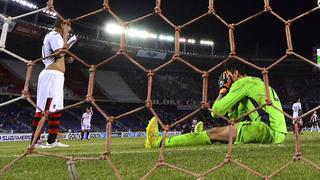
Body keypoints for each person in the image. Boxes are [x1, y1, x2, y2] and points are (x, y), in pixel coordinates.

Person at [145, 61, 287, 148]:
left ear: (235, 73)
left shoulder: (242, 82)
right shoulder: (257, 83)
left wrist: (222, 91)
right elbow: (234, 117)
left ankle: (157, 142)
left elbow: (216, 112)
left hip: (265, 130)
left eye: (227, 76)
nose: (227, 80)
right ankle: (198, 135)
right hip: (278, 133)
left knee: (213, 133)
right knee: (221, 135)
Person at [30, 18, 75, 148]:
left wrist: (66, 60)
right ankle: (35, 141)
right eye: (68, 26)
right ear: (62, 25)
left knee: (56, 109)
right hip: (50, 76)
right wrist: (66, 35)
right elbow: (60, 52)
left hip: (58, 76)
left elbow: (58, 55)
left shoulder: (57, 37)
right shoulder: (54, 35)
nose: (70, 29)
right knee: (43, 109)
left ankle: (52, 140)